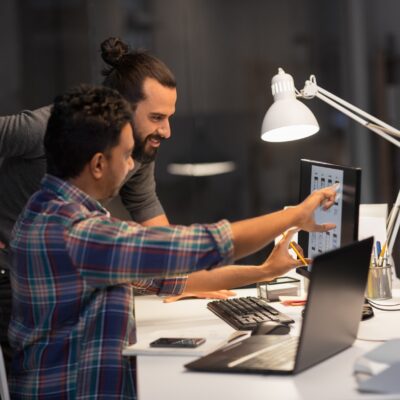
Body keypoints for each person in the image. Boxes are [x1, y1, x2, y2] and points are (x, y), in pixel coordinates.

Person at [9, 84, 336, 399]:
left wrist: (264, 271)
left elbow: (172, 277)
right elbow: (200, 245)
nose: (130, 166)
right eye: (125, 156)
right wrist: (295, 216)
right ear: (97, 164)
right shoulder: (77, 233)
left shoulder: (46, 211)